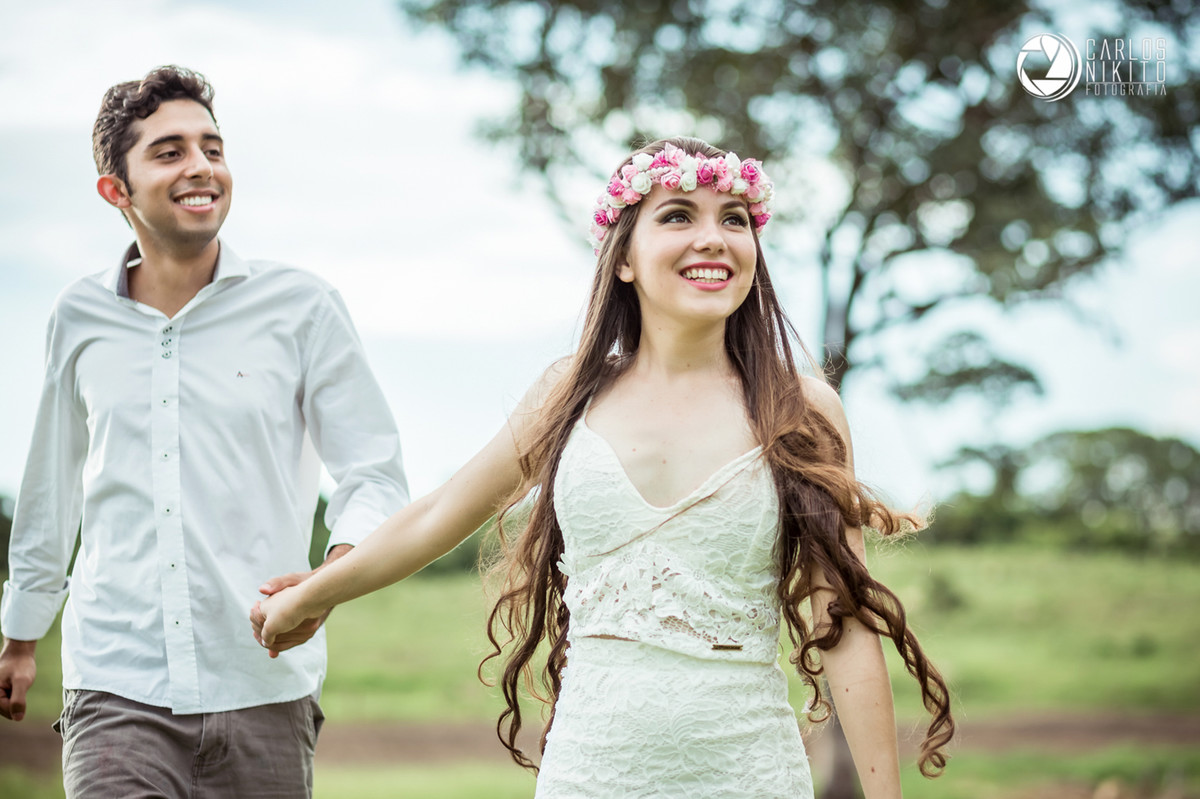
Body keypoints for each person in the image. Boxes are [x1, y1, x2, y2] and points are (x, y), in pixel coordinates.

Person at [253, 136, 954, 798]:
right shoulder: (569, 394)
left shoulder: (804, 408)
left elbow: (846, 621)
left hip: (750, 773)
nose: (713, 237)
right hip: (590, 773)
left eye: (734, 219)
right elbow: (439, 513)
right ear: (623, 258)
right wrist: (315, 592)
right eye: (678, 216)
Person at [0, 65, 409, 798]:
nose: (201, 167)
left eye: (212, 148)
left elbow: (373, 473)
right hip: (115, 683)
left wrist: (331, 575)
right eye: (169, 151)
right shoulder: (77, 316)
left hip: (263, 683)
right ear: (114, 191)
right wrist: (22, 632)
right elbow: (52, 483)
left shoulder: (305, 308)